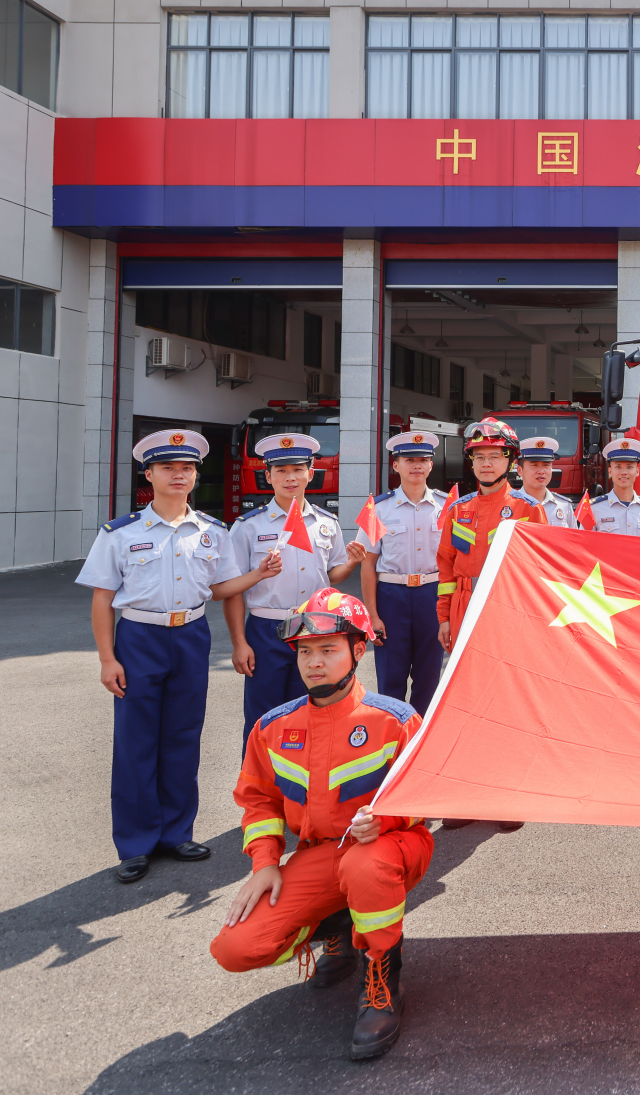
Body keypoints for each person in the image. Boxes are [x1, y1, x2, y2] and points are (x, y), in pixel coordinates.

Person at [209, 589, 433, 1062]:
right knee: (235, 948)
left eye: (328, 649)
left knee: (365, 866)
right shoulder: (271, 729)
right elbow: (257, 801)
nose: (314, 662)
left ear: (358, 650)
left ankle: (382, 981)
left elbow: (426, 796)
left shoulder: (395, 721)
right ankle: (336, 922)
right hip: (320, 855)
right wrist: (265, 864)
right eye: (305, 651)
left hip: (390, 848)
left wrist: (387, 819)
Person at [77, 430, 280, 884]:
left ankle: (176, 833)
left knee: (184, 736)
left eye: (186, 468)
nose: (178, 475)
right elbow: (102, 599)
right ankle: (135, 843)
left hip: (190, 635)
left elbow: (220, 589)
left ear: (195, 475)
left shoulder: (211, 531)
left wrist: (258, 574)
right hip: (140, 638)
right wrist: (107, 659)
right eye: (167, 467)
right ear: (148, 475)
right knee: (135, 741)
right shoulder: (120, 533)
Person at [226, 433, 362, 739]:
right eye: (281, 471)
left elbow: (332, 574)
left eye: (298, 470)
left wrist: (352, 563)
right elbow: (232, 588)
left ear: (310, 474)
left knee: (313, 710)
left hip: (314, 628)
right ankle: (259, 771)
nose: (290, 478)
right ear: (268, 476)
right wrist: (239, 643)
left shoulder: (327, 523)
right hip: (266, 629)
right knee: (262, 717)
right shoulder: (249, 526)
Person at [352, 431, 448, 716]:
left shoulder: (447, 507)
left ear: (431, 465)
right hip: (391, 597)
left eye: (423, 460)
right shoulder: (377, 508)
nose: (417, 465)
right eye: (409, 460)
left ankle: (420, 736)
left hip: (432, 595)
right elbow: (368, 564)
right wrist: (372, 615)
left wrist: (450, 612)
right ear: (396, 465)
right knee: (391, 675)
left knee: (429, 676)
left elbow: (453, 563)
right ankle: (392, 734)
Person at [435, 419, 546, 650]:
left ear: (511, 461)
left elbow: (541, 572)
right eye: (479, 457)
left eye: (494, 456)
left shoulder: (529, 509)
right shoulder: (458, 510)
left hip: (509, 607)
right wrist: (444, 617)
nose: (486, 464)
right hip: (463, 606)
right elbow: (446, 568)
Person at [588, 438, 640, 537]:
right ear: (610, 471)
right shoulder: (593, 508)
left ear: (637, 471)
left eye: (629, 467)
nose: (624, 472)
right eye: (618, 467)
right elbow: (583, 543)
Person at [515, 435, 580, 528]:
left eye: (546, 465)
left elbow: (573, 537)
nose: (541, 471)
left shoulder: (564, 505)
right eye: (534, 465)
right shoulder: (510, 505)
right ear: (520, 470)